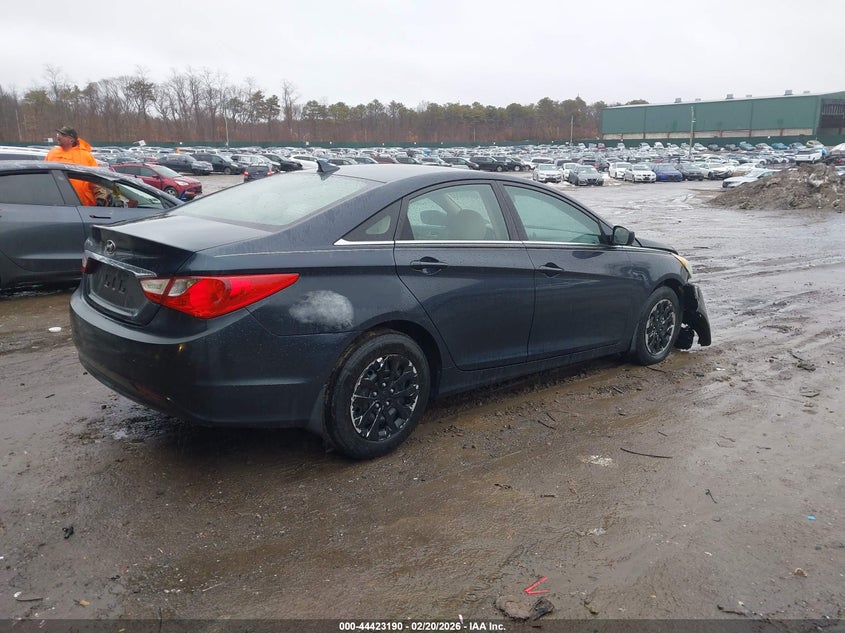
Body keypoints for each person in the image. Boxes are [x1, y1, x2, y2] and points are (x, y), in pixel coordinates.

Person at [45, 126, 99, 206]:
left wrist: (101, 198)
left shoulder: (85, 156)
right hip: (58, 202)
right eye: (58, 134)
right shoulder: (52, 153)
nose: (58, 137)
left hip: (84, 204)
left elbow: (96, 179)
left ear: (71, 140)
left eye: (63, 135)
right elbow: (46, 176)